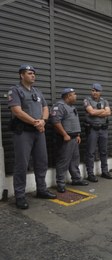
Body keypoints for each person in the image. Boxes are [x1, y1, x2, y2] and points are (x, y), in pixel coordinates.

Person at [8, 64, 56, 209]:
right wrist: (35, 122)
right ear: (22, 75)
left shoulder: (38, 91)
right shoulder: (15, 90)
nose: (33, 75)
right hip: (23, 132)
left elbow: (46, 108)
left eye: (34, 73)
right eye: (29, 73)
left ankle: (41, 190)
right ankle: (20, 196)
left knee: (42, 161)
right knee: (21, 164)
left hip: (38, 131)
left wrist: (43, 120)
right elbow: (17, 111)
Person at [50, 88, 89, 193]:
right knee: (63, 161)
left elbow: (74, 122)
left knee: (74, 160)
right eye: (74, 94)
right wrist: (64, 134)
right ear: (68, 96)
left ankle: (76, 179)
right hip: (65, 138)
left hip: (74, 138)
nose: (76, 96)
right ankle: (60, 183)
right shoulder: (59, 106)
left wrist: (78, 135)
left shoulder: (71, 106)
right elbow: (55, 121)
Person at [83, 83, 112, 182]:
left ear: (100, 92)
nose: (94, 92)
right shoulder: (87, 100)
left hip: (103, 129)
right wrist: (102, 111)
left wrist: (97, 112)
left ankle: (105, 171)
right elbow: (91, 112)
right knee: (90, 152)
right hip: (92, 129)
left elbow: (108, 113)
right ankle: (90, 174)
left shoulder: (105, 101)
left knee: (104, 151)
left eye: (96, 91)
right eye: (93, 90)